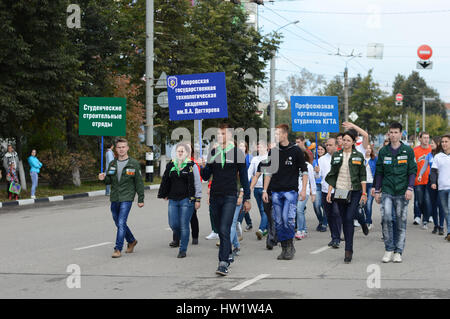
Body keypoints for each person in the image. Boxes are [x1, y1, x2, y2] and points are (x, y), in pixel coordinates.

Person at [200, 123, 251, 276]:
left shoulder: (238, 154)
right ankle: (228, 252)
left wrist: (246, 198)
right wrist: (204, 166)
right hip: (215, 195)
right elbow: (205, 176)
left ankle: (223, 263)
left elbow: (243, 178)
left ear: (229, 135)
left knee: (224, 228)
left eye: (222, 133)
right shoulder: (213, 152)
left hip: (230, 195)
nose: (219, 136)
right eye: (218, 134)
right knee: (219, 228)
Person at [262, 124, 308, 261]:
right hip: (275, 191)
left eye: (278, 134)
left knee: (287, 219)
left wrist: (304, 189)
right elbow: (268, 172)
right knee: (278, 221)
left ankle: (289, 246)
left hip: (290, 191)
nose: (276, 136)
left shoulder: (296, 151)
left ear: (285, 134)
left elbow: (304, 171)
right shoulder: (273, 151)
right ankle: (284, 248)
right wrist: (265, 190)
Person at [374, 122, 417, 263]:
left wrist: (410, 188)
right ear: (388, 134)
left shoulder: (408, 151)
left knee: (400, 221)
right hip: (387, 190)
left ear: (400, 134)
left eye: (396, 132)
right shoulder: (383, 151)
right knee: (386, 218)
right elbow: (379, 172)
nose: (393, 135)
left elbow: (412, 171)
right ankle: (388, 249)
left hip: (402, 191)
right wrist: (377, 190)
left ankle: (398, 251)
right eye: (391, 132)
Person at [325, 130, 369, 264]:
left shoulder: (358, 156)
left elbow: (362, 175)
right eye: (344, 140)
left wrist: (364, 193)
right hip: (340, 191)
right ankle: (361, 219)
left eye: (348, 140)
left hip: (354, 190)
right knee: (345, 219)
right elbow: (332, 174)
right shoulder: (337, 155)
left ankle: (348, 250)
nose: (345, 142)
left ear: (353, 142)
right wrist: (329, 192)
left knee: (350, 217)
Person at [98, 138, 144, 258]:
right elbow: (109, 180)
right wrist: (103, 178)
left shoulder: (133, 163)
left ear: (127, 148)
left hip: (127, 197)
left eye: (123, 147)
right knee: (118, 222)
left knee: (121, 222)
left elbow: (139, 183)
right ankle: (132, 240)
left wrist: (141, 199)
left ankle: (117, 249)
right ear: (116, 149)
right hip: (115, 197)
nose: (121, 149)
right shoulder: (112, 163)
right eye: (119, 147)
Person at [158, 143, 201, 258]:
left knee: (184, 224)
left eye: (183, 151)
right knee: (173, 224)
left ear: (187, 153)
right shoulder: (171, 164)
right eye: (178, 151)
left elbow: (197, 183)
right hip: (173, 199)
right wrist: (164, 193)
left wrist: (198, 199)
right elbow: (165, 180)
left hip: (187, 199)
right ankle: (182, 236)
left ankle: (183, 249)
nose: (180, 153)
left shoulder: (192, 166)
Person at [315, 137, 341, 247]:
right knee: (329, 215)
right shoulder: (321, 159)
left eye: (330, 145)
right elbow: (318, 176)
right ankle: (334, 236)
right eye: (327, 145)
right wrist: (316, 172)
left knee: (337, 213)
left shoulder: (341, 157)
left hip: (339, 190)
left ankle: (337, 237)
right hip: (326, 190)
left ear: (336, 145)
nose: (328, 147)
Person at [422, 136, 444, 234]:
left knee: (441, 204)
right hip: (432, 181)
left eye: (432, 143)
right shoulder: (430, 155)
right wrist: (420, 175)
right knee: (433, 204)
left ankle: (442, 226)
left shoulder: (443, 155)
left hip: (442, 181)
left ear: (438, 143)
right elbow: (425, 166)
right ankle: (436, 225)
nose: (430, 144)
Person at [430, 134, 450, 241]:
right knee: (446, 211)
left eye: (446, 142)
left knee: (449, 209)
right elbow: (433, 171)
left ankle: (449, 232)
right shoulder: (438, 156)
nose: (444, 144)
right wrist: (433, 182)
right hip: (441, 187)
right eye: (442, 142)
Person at [249, 140, 269, 240]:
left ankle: (261, 229)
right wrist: (248, 187)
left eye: (261, 146)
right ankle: (267, 228)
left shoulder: (269, 158)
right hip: (256, 188)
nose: (259, 148)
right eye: (258, 147)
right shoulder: (255, 159)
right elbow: (250, 173)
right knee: (261, 210)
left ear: (266, 147)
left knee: (264, 209)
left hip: (266, 188)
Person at [295, 150, 316, 240]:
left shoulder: (308, 166)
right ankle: (304, 229)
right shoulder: (294, 166)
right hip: (294, 191)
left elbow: (312, 180)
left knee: (299, 210)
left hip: (305, 191)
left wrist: (313, 193)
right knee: (300, 211)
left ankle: (299, 230)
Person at [413, 132, 432, 229]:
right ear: (420, 139)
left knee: (427, 200)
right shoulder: (415, 150)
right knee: (419, 200)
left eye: (427, 138)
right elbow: (412, 166)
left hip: (429, 180)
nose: (426, 140)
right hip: (418, 180)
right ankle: (417, 216)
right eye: (424, 138)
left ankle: (425, 219)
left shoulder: (432, 150)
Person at [237, 141, 253, 232]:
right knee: (242, 202)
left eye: (243, 146)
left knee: (242, 202)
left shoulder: (249, 157)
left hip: (247, 182)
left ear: (246, 147)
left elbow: (251, 171)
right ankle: (249, 222)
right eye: (240, 146)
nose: (241, 147)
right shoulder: (237, 157)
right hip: (238, 182)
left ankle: (238, 222)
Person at [312, 144, 328, 232]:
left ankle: (324, 224)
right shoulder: (315, 161)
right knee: (316, 205)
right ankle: (321, 221)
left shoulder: (327, 160)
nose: (320, 151)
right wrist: (316, 171)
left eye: (322, 149)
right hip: (317, 185)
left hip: (325, 185)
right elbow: (314, 175)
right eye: (318, 149)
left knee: (325, 205)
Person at [363, 144, 377, 229]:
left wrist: (377, 185)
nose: (368, 150)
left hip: (372, 184)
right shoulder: (361, 159)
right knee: (364, 203)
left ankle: (368, 222)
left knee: (368, 204)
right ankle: (369, 220)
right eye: (366, 148)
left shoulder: (374, 159)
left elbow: (378, 171)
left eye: (369, 149)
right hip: (363, 184)